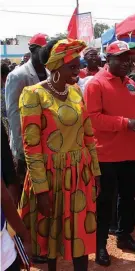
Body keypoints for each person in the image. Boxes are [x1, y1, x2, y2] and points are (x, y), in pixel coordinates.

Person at [18, 39, 100, 271]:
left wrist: (96, 173)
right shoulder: (33, 94)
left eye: (78, 66)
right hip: (50, 175)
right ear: (55, 67)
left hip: (80, 175)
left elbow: (88, 135)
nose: (78, 71)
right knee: (52, 234)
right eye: (72, 67)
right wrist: (40, 189)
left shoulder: (76, 92)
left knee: (80, 234)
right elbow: (31, 146)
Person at [84, 41, 135, 267]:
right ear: (108, 60)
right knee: (105, 201)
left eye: (129, 59)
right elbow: (92, 118)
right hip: (106, 156)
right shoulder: (95, 84)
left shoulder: (131, 85)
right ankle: (100, 246)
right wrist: (125, 123)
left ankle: (124, 236)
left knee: (128, 198)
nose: (127, 63)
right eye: (121, 58)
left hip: (130, 153)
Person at [4, 33, 49, 264]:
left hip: (47, 149)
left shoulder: (51, 74)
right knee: (25, 197)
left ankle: (42, 241)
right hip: (26, 149)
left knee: (43, 197)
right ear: (31, 49)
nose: (43, 53)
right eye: (40, 49)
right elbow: (13, 113)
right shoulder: (18, 75)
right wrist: (21, 147)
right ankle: (24, 244)